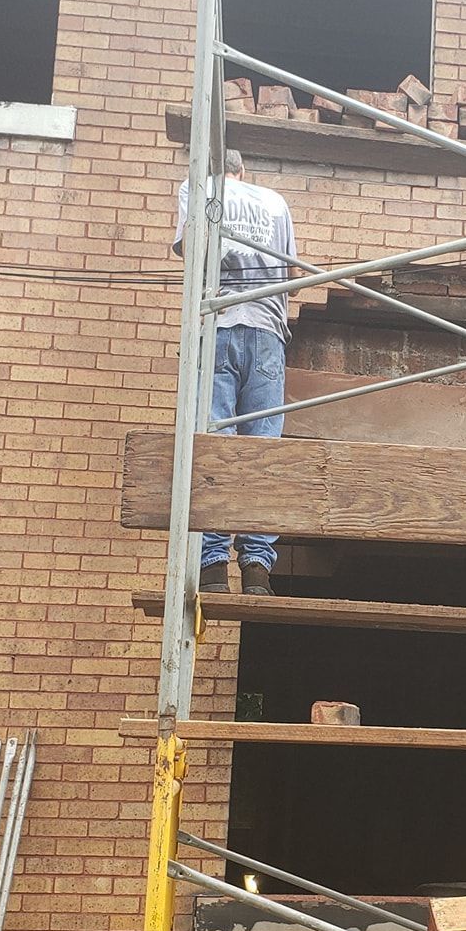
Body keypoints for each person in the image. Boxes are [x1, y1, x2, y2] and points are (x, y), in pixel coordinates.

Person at [175, 147, 298, 596]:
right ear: (243, 171)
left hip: (220, 325)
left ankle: (212, 564)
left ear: (214, 169)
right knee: (262, 450)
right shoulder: (275, 202)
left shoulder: (199, 186)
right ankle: (257, 568)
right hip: (267, 332)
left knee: (216, 446)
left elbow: (192, 250)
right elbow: (289, 275)